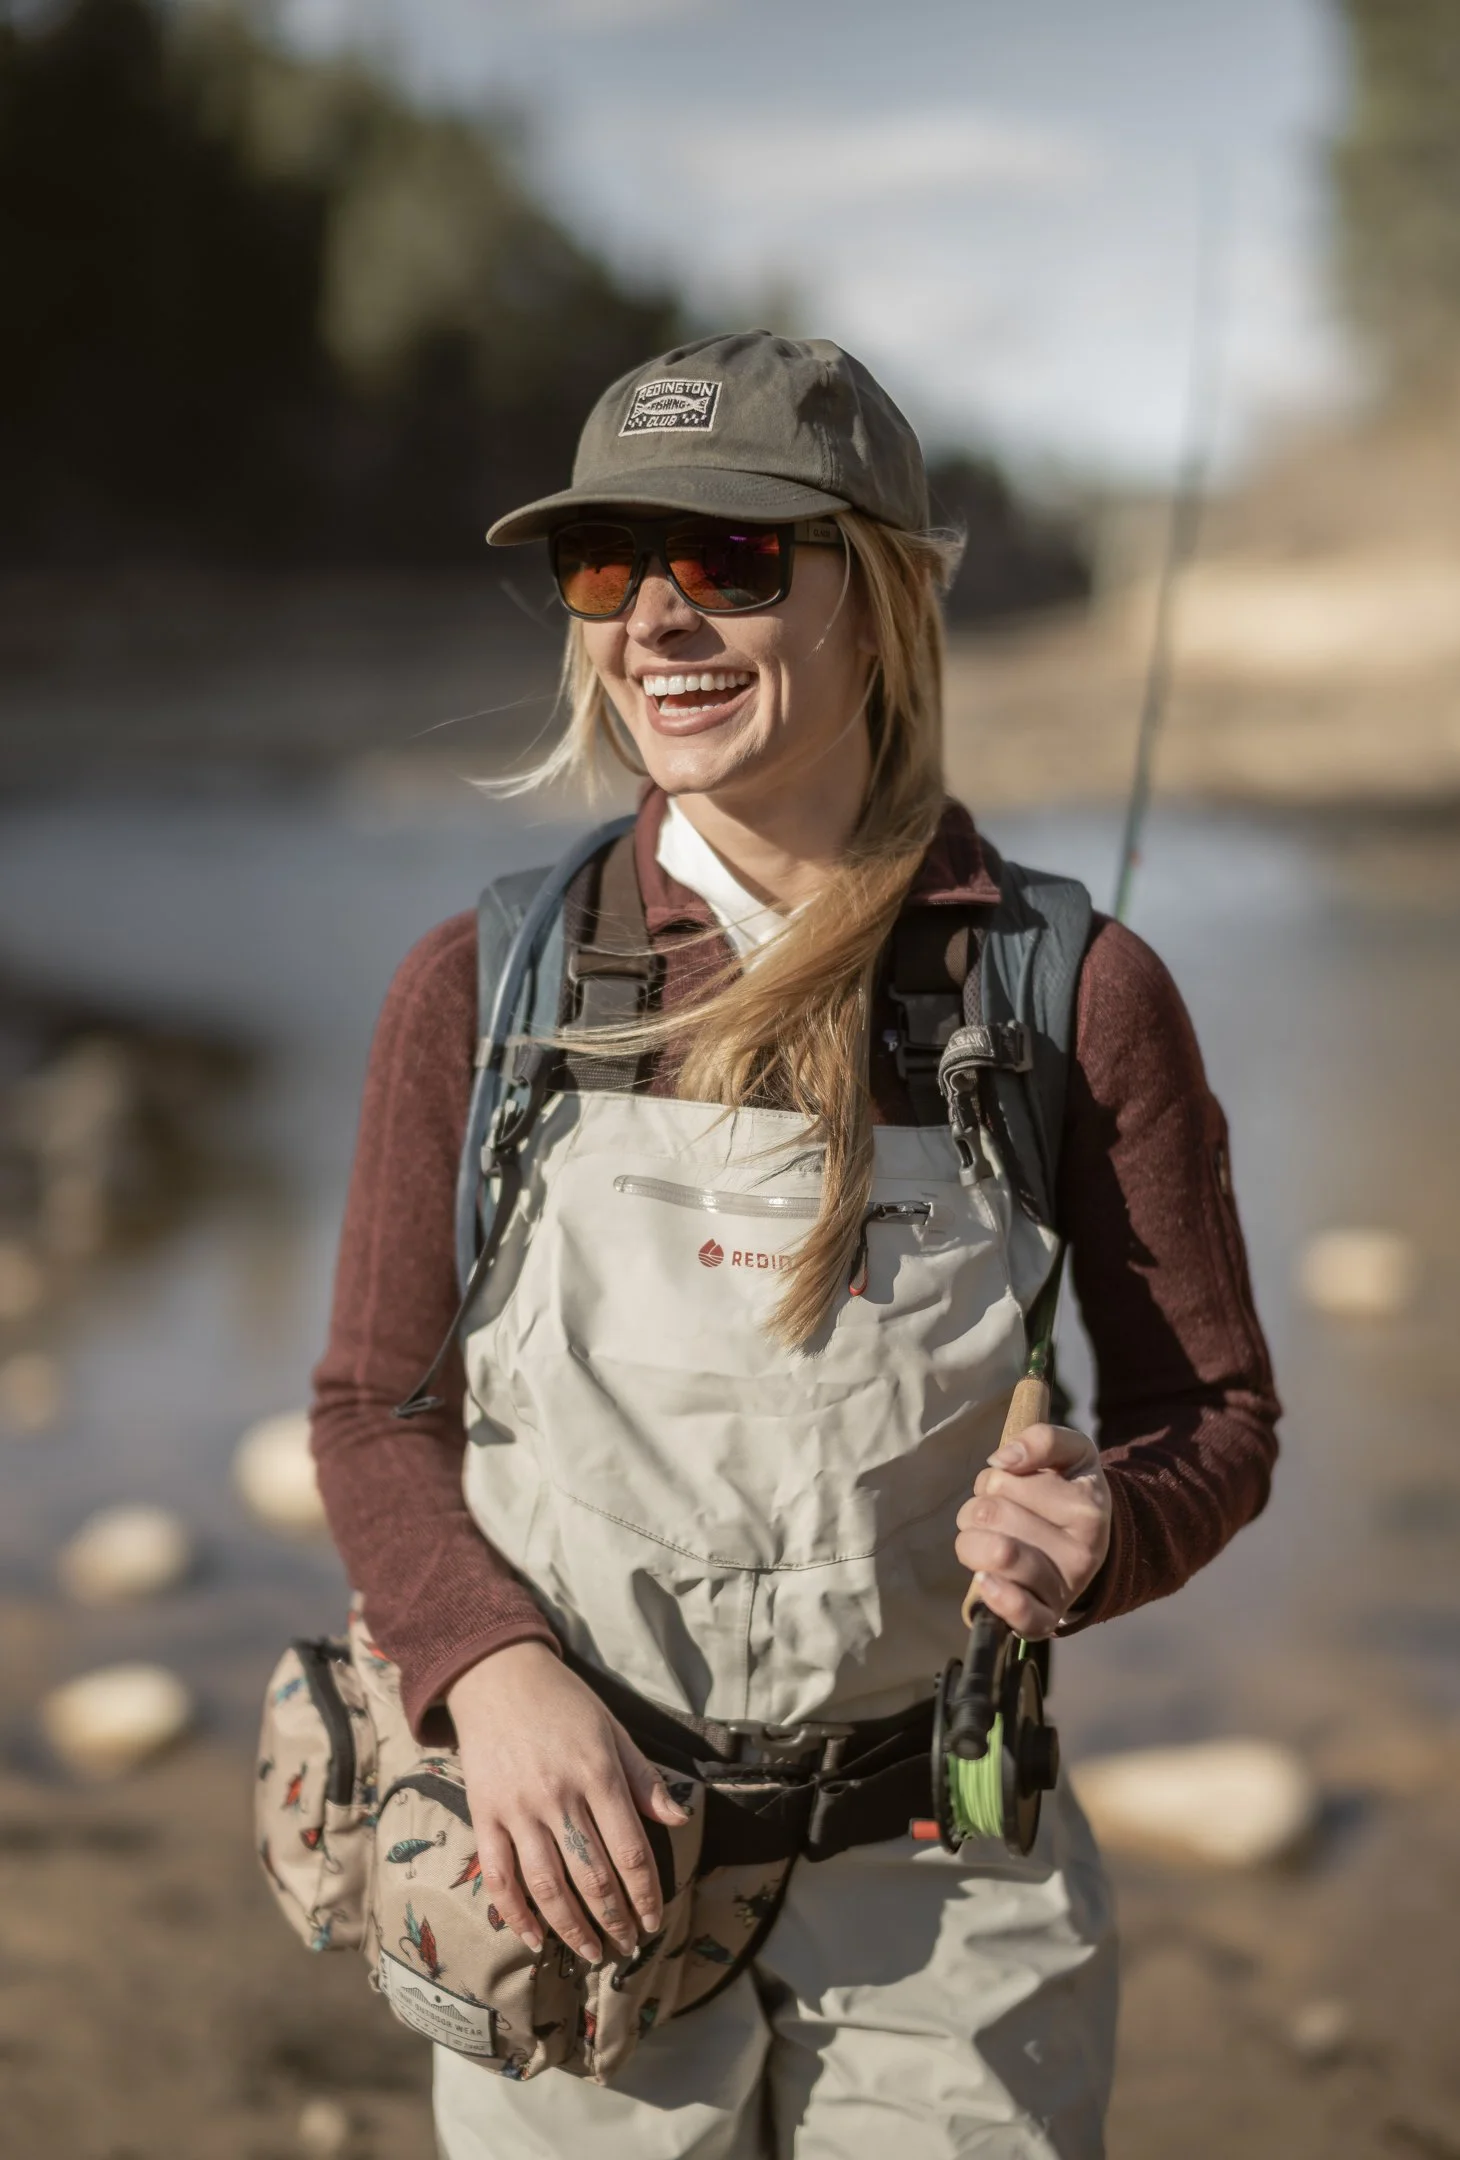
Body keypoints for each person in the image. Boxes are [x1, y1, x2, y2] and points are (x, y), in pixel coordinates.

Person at [310, 331, 1280, 2158]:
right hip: (564, 1871)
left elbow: (1215, 1414)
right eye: (610, 568)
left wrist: (1110, 1532)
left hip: (949, 1888)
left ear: (882, 599)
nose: (659, 619)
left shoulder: (1077, 991)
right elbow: (372, 1408)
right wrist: (488, 1674)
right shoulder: (479, 986)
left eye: (733, 560)